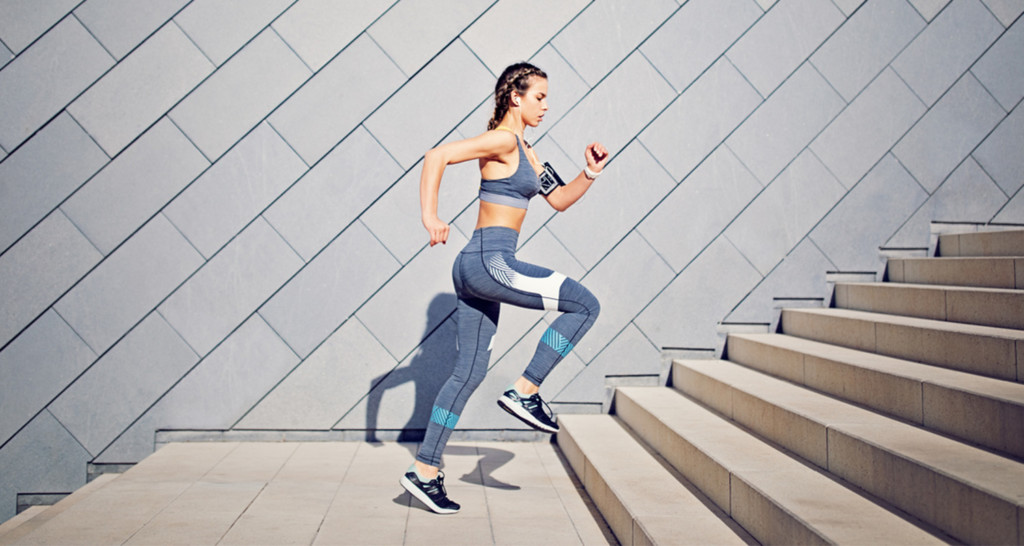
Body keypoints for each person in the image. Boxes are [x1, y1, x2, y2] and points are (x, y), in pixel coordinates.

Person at [400, 62, 607, 515]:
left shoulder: (530, 152)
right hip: (490, 262)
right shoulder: (502, 139)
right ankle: (526, 390)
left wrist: (589, 173)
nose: (546, 105)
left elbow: (559, 201)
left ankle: (425, 472)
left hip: (478, 267)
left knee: (467, 374)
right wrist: (431, 217)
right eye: (539, 97)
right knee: (585, 305)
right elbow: (436, 156)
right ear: (515, 96)